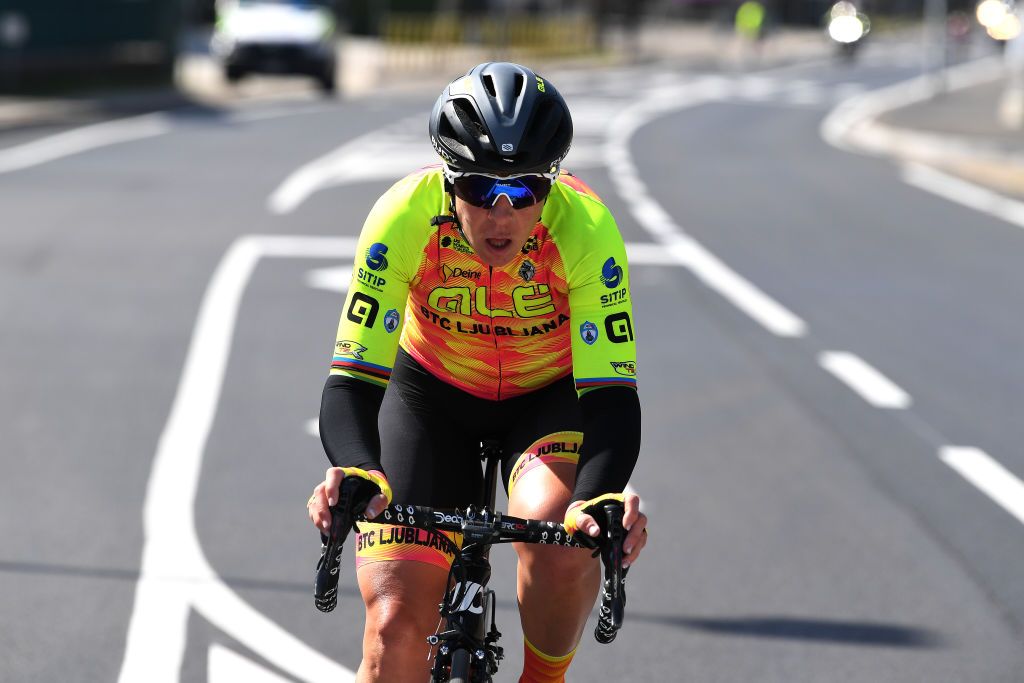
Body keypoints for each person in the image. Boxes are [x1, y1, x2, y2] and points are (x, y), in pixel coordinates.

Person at [306, 61, 648, 683]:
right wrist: (356, 468)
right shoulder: (403, 217)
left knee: (558, 538)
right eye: (478, 189)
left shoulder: (588, 230)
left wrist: (599, 497)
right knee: (393, 630)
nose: (501, 214)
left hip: (544, 399)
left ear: (550, 185)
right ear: (447, 178)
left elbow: (611, 396)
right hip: (431, 395)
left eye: (523, 193)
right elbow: (352, 381)